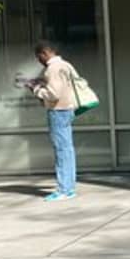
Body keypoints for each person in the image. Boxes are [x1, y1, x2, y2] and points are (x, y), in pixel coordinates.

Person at [26, 41, 79, 201]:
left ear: (45, 53)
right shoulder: (66, 65)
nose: (39, 61)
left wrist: (36, 89)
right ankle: (69, 188)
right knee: (67, 150)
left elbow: (53, 94)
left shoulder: (52, 69)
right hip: (68, 108)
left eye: (38, 57)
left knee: (61, 151)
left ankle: (63, 189)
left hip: (58, 110)